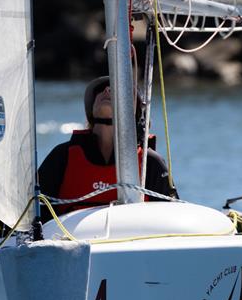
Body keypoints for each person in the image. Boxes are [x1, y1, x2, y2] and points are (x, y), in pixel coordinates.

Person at [38, 76, 175, 221]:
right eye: (100, 90)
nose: (107, 90)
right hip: (72, 241)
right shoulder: (62, 156)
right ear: (91, 108)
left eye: (118, 90)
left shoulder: (151, 162)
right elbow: (32, 214)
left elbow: (172, 217)